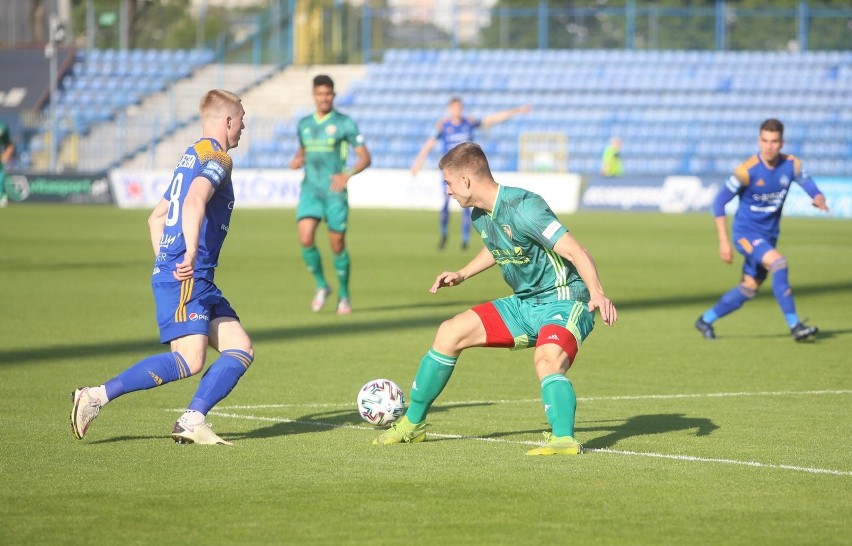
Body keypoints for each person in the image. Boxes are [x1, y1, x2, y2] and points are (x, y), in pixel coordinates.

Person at [375, 142, 618, 455]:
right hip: (523, 304)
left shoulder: (524, 206)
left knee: (547, 360)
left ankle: (563, 440)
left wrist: (597, 293)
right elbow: (496, 245)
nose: (447, 190)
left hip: (564, 300)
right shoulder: (480, 214)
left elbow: (575, 250)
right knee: (449, 332)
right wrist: (463, 274)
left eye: (448, 183)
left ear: (466, 181)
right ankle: (412, 424)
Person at [70, 89, 252, 445]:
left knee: (240, 348)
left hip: (190, 275)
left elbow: (156, 218)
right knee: (188, 359)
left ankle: (193, 419)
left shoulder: (191, 155)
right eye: (242, 118)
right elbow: (196, 200)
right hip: (190, 273)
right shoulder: (217, 157)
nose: (244, 126)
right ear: (228, 120)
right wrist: (184, 258)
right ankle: (95, 396)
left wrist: (166, 260)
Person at [695, 118, 829, 342]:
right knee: (779, 263)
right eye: (765, 140)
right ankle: (795, 325)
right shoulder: (746, 171)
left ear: (781, 143)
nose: (769, 146)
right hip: (746, 235)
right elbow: (718, 203)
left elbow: (811, 187)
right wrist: (724, 242)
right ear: (759, 140)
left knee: (749, 288)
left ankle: (705, 320)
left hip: (768, 237)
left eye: (774, 141)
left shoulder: (791, 165)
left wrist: (818, 198)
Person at [289, 75, 371, 315]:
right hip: (310, 191)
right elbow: (303, 150)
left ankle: (344, 295)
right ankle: (322, 285)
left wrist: (347, 174)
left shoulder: (345, 123)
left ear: (333, 95)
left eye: (328, 94)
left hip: (334, 193)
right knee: (305, 238)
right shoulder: (304, 123)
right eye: (320, 94)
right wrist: (297, 159)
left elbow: (365, 156)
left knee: (337, 245)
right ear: (314, 95)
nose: (324, 98)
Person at [411, 97, 531, 250]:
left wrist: (517, 111)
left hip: (467, 172)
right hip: (449, 172)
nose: (457, 111)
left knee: (468, 204)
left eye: (459, 108)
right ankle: (444, 234)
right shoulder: (444, 125)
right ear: (450, 109)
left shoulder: (468, 122)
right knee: (446, 204)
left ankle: (465, 240)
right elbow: (429, 144)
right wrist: (417, 163)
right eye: (454, 108)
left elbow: (490, 120)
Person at [0, 119, 16, 207]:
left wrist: (5, 157)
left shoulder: (2, 126)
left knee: (1, 173)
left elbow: (9, 145)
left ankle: (1, 196)